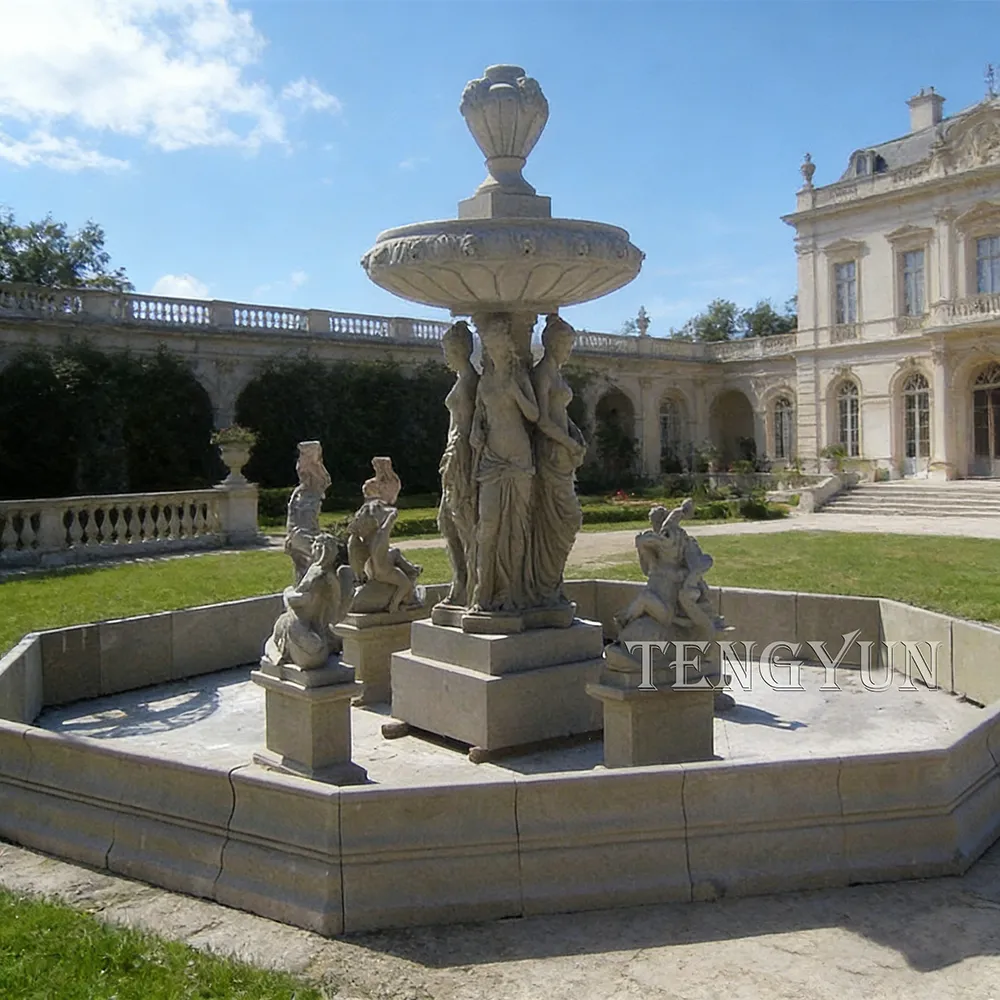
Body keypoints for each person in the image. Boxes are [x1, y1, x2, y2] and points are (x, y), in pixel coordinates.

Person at [470, 315, 539, 613]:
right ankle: (482, 592)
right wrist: (476, 428)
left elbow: (534, 415)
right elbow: (479, 414)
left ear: (506, 345)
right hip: (491, 458)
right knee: (487, 526)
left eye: (497, 343)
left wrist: (516, 395)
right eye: (489, 344)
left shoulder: (517, 376)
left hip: (518, 457)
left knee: (517, 526)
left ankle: (513, 593)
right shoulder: (484, 379)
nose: (493, 349)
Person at [530, 314, 587, 606]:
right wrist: (567, 442)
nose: (569, 349)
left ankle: (552, 583)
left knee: (565, 519)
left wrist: (576, 436)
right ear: (551, 343)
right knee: (563, 518)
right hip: (550, 453)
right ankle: (544, 583)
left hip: (562, 453)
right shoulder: (543, 374)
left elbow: (561, 415)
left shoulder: (556, 373)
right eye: (566, 343)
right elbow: (540, 418)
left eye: (570, 343)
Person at [436, 321, 479, 608]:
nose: (446, 355)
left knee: (463, 525)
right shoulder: (465, 378)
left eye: (449, 349)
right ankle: (461, 581)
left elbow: (475, 427)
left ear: (461, 349)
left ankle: (471, 585)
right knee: (447, 522)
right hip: (453, 458)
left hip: (463, 458)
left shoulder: (471, 380)